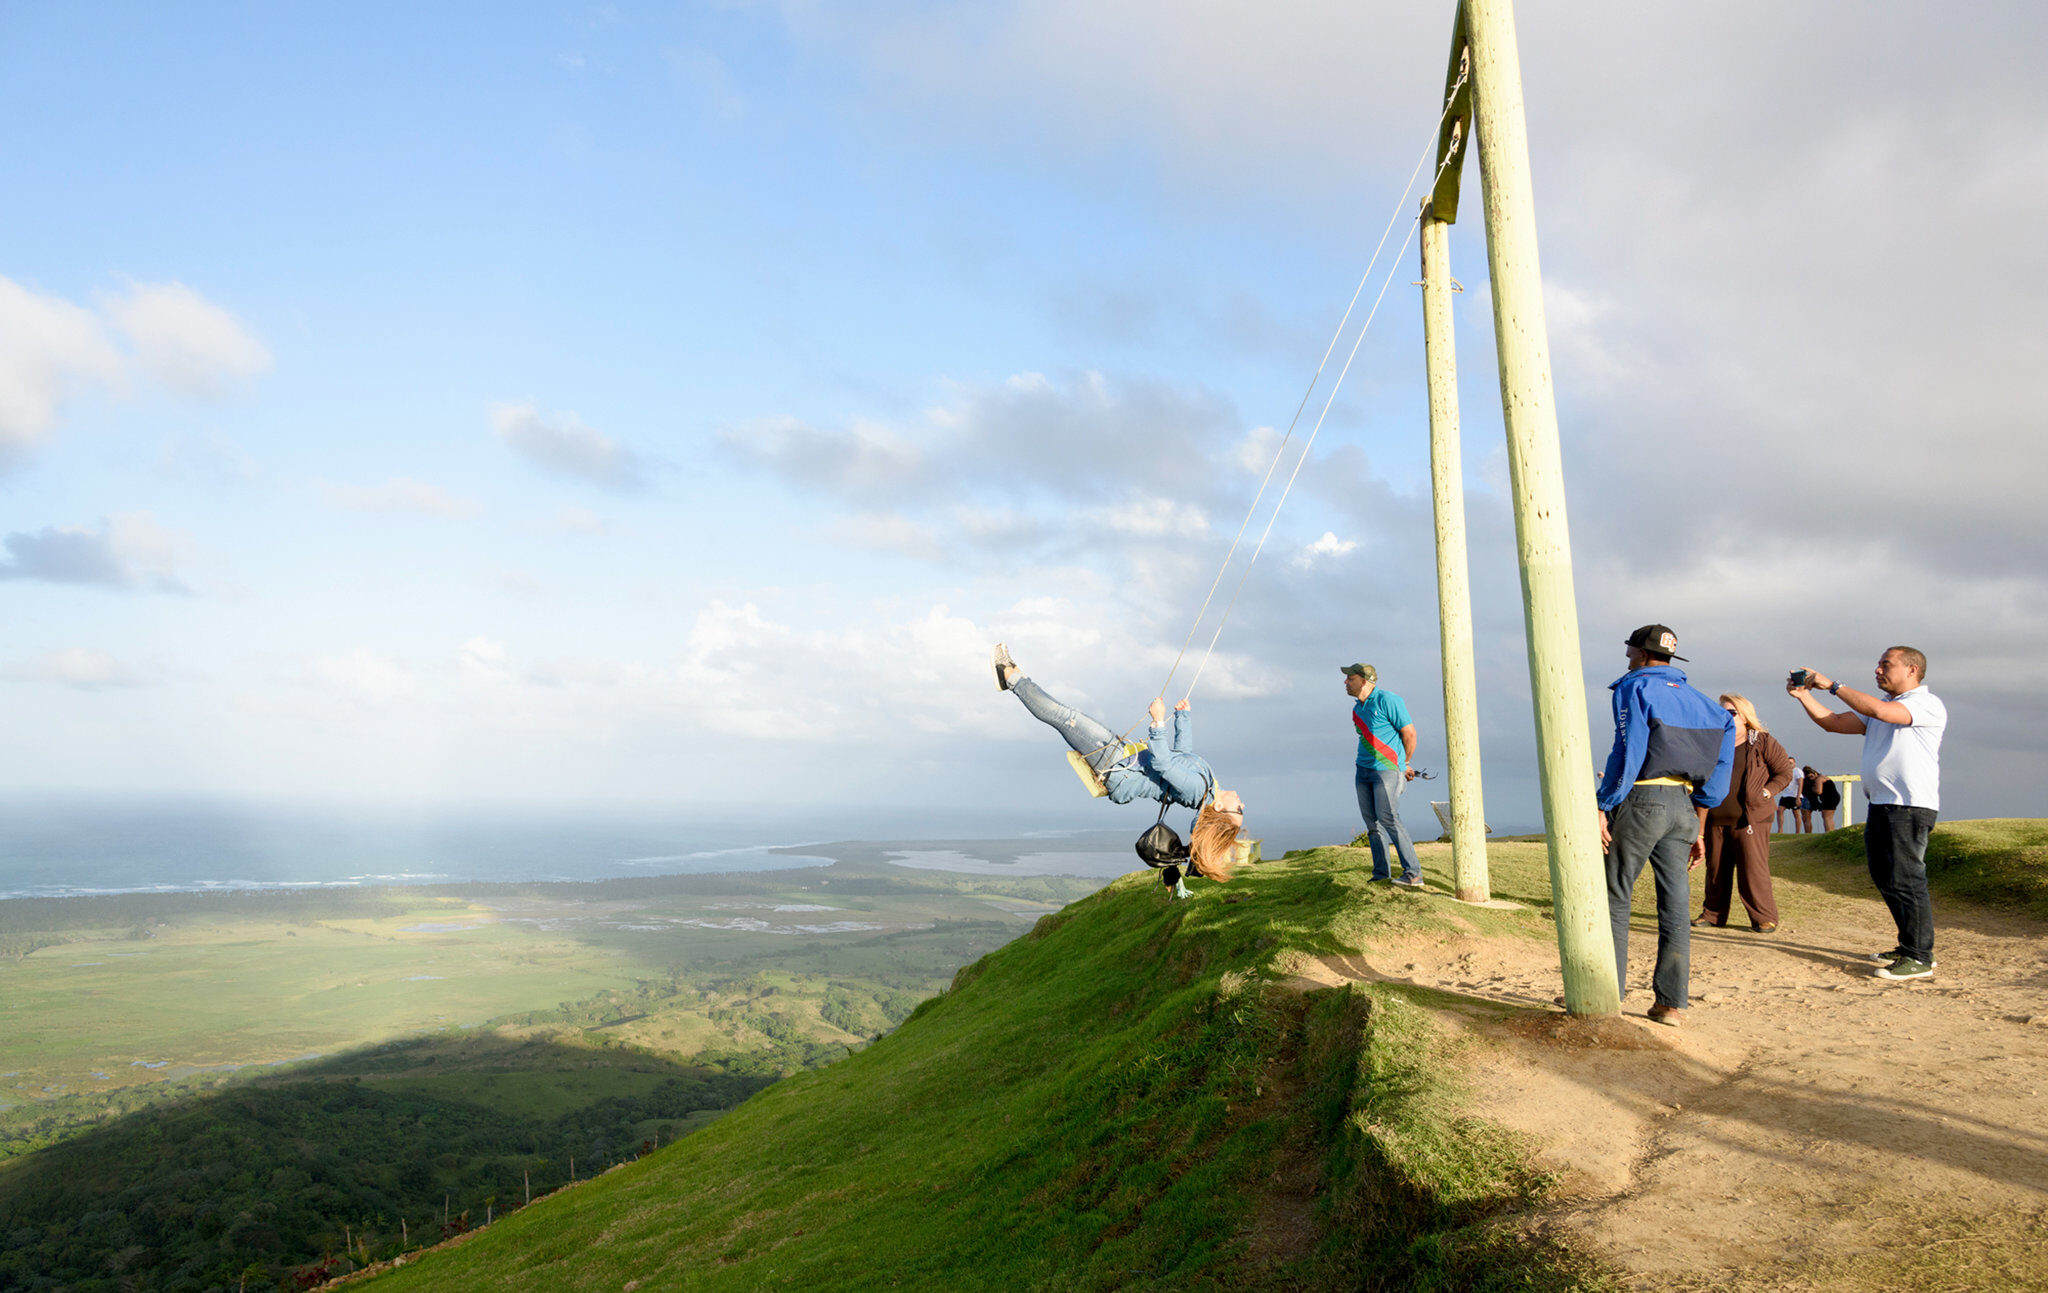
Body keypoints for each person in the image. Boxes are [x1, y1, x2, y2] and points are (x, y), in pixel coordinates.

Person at [993, 644, 1246, 893]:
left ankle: (1009, 676)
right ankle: (1014, 675)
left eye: (1239, 810)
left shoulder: (1197, 789)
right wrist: (1184, 717)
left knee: (1064, 716)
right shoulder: (1207, 786)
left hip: (1116, 765)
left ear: (1220, 808)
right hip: (1122, 758)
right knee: (1066, 716)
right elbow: (1182, 756)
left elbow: (1163, 763)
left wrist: (1158, 722)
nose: (1242, 804)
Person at [1596, 625, 1736, 1027]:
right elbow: (1722, 766)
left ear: (1639, 653)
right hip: (1684, 806)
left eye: (1630, 652)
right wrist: (1701, 813)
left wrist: (1604, 803)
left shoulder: (1633, 687)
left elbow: (1627, 747)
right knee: (1674, 905)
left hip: (1643, 799)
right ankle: (1671, 1004)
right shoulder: (1709, 706)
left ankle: (1608, 992)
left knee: (1616, 893)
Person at [1787, 647, 1946, 981]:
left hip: (1909, 805)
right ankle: (1909, 946)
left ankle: (1920, 955)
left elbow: (1881, 712)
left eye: (1886, 665)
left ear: (1912, 669)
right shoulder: (1881, 709)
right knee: (1885, 876)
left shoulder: (1924, 703)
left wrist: (1832, 685)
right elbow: (1832, 723)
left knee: (1906, 878)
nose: (1877, 670)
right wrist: (1803, 696)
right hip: (1882, 805)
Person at [1693, 694, 1795, 932]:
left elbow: (1784, 772)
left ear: (1745, 717)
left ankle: (1763, 917)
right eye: (1721, 713)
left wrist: (1768, 792)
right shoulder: (1712, 744)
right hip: (1715, 819)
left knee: (1753, 870)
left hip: (1751, 818)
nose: (1725, 717)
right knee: (1716, 869)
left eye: (1731, 713)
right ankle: (1713, 914)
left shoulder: (1762, 741)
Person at [1342, 663, 1423, 888]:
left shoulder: (1389, 700)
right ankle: (1381, 874)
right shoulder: (1357, 709)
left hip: (1386, 771)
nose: (1346, 682)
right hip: (1363, 770)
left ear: (1365, 681)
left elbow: (1410, 734)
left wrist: (1404, 764)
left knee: (1388, 818)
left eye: (1350, 678)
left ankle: (1414, 874)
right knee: (1373, 823)